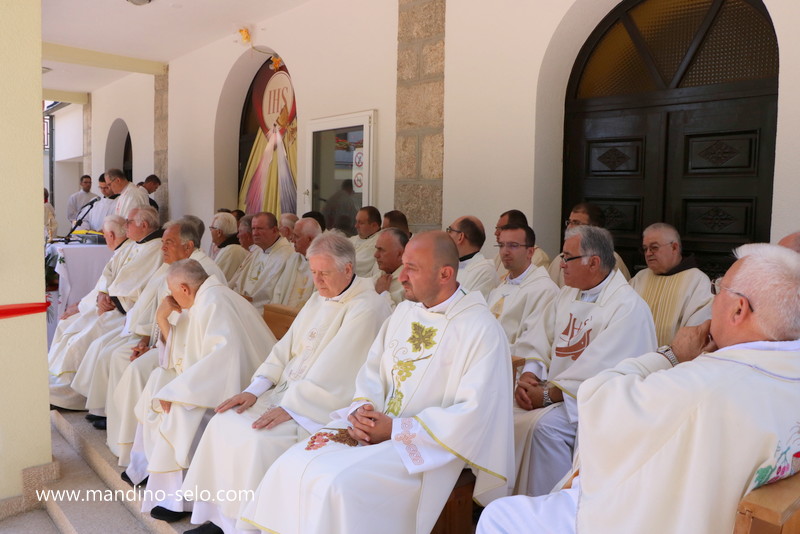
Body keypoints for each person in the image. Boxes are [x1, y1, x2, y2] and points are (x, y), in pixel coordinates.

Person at [478, 243, 800, 534]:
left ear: (739, 309)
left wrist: (672, 355)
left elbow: (599, 401)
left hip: (664, 519)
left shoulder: (701, 388)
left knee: (499, 517)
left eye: (718, 290)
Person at [239, 231, 514, 534]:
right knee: (289, 465)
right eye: (403, 265)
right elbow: (372, 370)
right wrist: (363, 408)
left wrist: (396, 429)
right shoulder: (406, 312)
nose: (401, 277)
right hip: (377, 427)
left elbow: (472, 416)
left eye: (412, 268)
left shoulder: (480, 329)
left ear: (445, 274)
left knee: (335, 484)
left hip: (428, 448)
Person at [180, 232, 392, 534]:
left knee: (257, 440)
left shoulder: (366, 307)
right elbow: (285, 348)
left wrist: (292, 407)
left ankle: (247, 527)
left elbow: (338, 371)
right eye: (313, 272)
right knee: (223, 421)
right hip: (286, 394)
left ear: (347, 270)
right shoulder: (322, 296)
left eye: (324, 273)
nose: (316, 281)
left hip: (320, 407)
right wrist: (254, 390)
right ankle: (220, 518)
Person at [123, 259, 275, 522]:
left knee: (180, 411)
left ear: (184, 287)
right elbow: (180, 353)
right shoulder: (203, 299)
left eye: (172, 292)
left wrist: (178, 391)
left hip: (238, 386)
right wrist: (162, 318)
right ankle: (145, 470)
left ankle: (180, 500)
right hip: (210, 383)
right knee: (155, 387)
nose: (171, 297)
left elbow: (223, 358)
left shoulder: (214, 302)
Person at [513, 225, 656, 496]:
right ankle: (513, 499)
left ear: (594, 262)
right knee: (503, 413)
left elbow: (604, 374)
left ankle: (554, 505)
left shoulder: (626, 307)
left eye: (568, 257)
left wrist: (546, 395)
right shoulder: (568, 293)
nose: (561, 265)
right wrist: (530, 373)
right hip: (554, 394)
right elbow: (540, 337)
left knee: (544, 428)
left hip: (595, 407)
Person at [72, 218, 225, 437]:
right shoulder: (175, 266)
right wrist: (147, 341)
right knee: (118, 356)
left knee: (134, 369)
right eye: (162, 242)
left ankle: (130, 436)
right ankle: (117, 424)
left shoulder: (204, 271)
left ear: (188, 246)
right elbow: (155, 305)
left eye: (169, 242)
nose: (162, 247)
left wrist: (158, 346)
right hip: (164, 340)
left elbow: (196, 326)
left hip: (187, 352)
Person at [48, 207, 164, 409]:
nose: (126, 225)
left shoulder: (154, 248)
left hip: (126, 311)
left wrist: (108, 297)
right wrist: (102, 293)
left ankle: (71, 395)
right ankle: (59, 383)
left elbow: (131, 284)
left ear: (143, 225)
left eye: (129, 221)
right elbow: (109, 272)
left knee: (83, 340)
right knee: (71, 330)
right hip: (113, 304)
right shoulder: (135, 244)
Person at [630, 223, 712, 346]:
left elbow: (696, 330)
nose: (648, 253)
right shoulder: (640, 277)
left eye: (654, 247)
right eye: (645, 248)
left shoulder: (696, 280)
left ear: (674, 247)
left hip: (674, 361)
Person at [487, 224, 558, 354]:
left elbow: (533, 344)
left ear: (530, 252)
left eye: (513, 245)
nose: (505, 251)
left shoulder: (544, 290)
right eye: (501, 245)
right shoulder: (499, 289)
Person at [547, 202, 631, 287]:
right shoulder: (560, 259)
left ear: (594, 228)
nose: (569, 227)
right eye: (569, 222)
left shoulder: (609, 259)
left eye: (576, 223)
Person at [227, 212, 294, 314]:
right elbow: (239, 281)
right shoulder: (257, 251)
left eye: (260, 229)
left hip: (262, 313)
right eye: (253, 228)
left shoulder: (286, 256)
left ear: (275, 230)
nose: (255, 233)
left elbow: (278, 294)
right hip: (243, 306)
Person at [271, 217, 322, 308]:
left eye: (297, 236)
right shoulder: (293, 259)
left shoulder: (325, 264)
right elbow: (279, 290)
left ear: (309, 239)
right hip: (283, 316)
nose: (292, 239)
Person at [446, 215, 500, 299]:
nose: (447, 235)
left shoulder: (485, 271)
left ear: (460, 237)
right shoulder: (452, 265)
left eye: (450, 230)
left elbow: (470, 306)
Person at [492, 210, 550, 278]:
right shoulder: (498, 256)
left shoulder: (539, 257)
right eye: (496, 228)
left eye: (500, 229)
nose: (496, 233)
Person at [372, 227, 408, 307]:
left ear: (399, 254)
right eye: (377, 249)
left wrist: (383, 294)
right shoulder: (380, 273)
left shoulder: (410, 285)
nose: (376, 255)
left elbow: (401, 317)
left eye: (381, 250)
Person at [208, 212, 249, 280]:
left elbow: (218, 279)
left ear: (219, 232)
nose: (211, 231)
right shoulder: (228, 248)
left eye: (211, 228)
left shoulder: (232, 251)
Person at [349, 206, 382, 277]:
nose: (356, 226)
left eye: (361, 223)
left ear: (374, 226)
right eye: (356, 222)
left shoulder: (378, 243)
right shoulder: (353, 239)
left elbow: (356, 266)